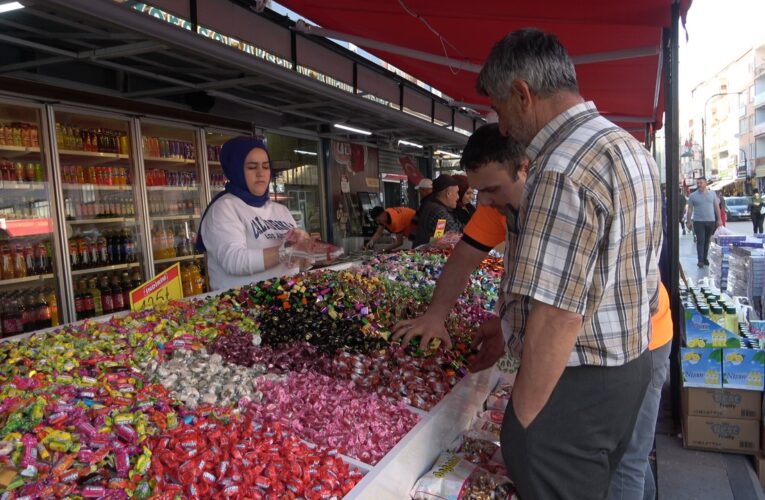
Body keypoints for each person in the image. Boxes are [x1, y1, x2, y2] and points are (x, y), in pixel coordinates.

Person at [473, 28, 661, 499]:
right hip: (627, 369)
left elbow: (557, 314)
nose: (501, 126)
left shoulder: (561, 168)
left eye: (499, 109)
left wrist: (524, 422)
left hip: (576, 383)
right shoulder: (625, 147)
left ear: (522, 94)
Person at [197, 136, 308, 291]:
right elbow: (235, 261)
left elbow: (297, 263)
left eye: (265, 166)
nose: (261, 173)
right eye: (251, 167)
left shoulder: (281, 211)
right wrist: (286, 251)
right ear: (236, 169)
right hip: (243, 309)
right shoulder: (223, 208)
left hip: (287, 304)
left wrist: (307, 253)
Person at [411, 175, 463, 247]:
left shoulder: (433, 206)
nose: (458, 197)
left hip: (425, 253)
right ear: (448, 194)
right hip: (424, 254)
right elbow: (456, 234)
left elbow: (438, 234)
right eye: (457, 192)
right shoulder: (438, 211)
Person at [686, 177, 721, 267]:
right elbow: (689, 210)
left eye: (701, 183)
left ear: (705, 183)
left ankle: (705, 258)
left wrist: (719, 220)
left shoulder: (712, 194)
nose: (699, 185)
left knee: (707, 241)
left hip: (711, 221)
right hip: (698, 222)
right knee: (700, 240)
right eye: (698, 183)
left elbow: (717, 207)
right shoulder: (692, 196)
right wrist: (688, 221)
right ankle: (700, 260)